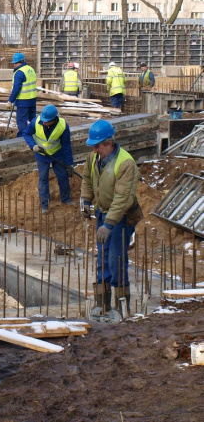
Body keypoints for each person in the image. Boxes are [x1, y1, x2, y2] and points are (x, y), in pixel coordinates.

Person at [80, 119, 142, 318]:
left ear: (108, 143)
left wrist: (109, 224)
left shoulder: (125, 163)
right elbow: (88, 180)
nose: (94, 149)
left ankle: (121, 305)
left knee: (116, 259)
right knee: (102, 259)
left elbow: (123, 199)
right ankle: (102, 304)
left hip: (120, 218)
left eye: (97, 146)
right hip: (102, 213)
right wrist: (86, 200)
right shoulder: (94, 158)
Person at [22, 104, 74, 214]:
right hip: (41, 155)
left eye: (47, 121)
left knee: (63, 177)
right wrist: (33, 145)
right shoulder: (36, 122)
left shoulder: (63, 126)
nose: (44, 122)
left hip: (57, 154)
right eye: (43, 120)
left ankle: (65, 199)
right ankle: (44, 205)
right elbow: (26, 133)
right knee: (43, 179)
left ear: (54, 119)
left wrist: (69, 164)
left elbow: (66, 146)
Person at [6, 52, 37, 137]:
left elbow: (16, 88)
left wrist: (10, 101)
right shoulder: (30, 69)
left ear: (19, 62)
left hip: (23, 101)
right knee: (33, 119)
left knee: (22, 121)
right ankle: (36, 134)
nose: (14, 65)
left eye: (15, 63)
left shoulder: (19, 72)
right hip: (32, 99)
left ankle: (22, 138)